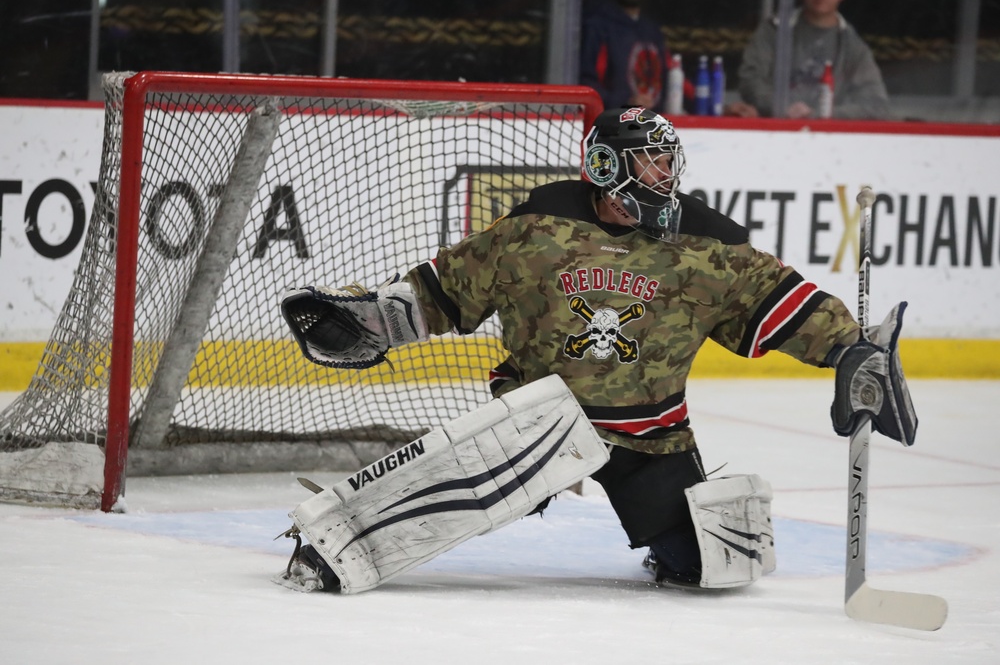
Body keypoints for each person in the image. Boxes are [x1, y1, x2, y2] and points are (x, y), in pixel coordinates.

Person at [275, 107, 916, 594]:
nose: (667, 175)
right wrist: (374, 321)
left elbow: (783, 301)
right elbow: (444, 291)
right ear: (608, 166)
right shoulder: (536, 228)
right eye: (650, 162)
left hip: (650, 434)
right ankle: (334, 543)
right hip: (538, 418)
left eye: (669, 161)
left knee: (712, 567)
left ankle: (670, 544)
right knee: (447, 495)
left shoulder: (706, 244)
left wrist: (849, 351)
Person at [727, 0, 893, 119]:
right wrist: (782, 109)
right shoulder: (774, 30)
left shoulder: (854, 46)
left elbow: (876, 105)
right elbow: (751, 81)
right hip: (775, 133)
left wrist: (821, 115)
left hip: (830, 140)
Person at [579, 0, 671, 113]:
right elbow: (586, 82)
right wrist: (624, 102)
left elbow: (667, 81)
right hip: (611, 122)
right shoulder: (596, 25)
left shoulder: (652, 31)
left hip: (651, 122)